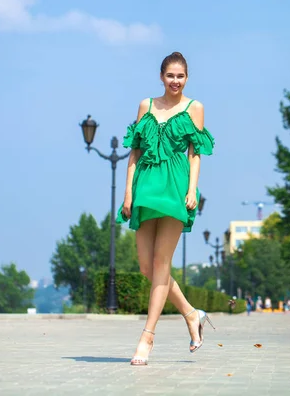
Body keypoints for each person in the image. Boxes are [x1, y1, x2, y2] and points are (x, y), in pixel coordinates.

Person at [116, 52, 216, 366]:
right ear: (162, 77)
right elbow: (134, 152)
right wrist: (128, 192)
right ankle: (191, 313)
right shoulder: (146, 105)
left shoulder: (195, 108)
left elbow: (195, 154)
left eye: (181, 76)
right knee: (148, 267)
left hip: (175, 188)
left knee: (162, 262)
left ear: (187, 78)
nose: (175, 81)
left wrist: (192, 191)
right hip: (145, 187)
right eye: (170, 76)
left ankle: (146, 338)